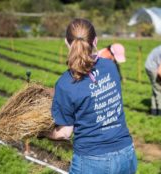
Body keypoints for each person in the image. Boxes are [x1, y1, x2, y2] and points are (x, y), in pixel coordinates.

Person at [46, 18, 137, 174]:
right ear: (95, 41)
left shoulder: (65, 83)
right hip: (126, 153)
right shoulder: (110, 67)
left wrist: (43, 133)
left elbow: (65, 132)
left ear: (67, 43)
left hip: (93, 161)